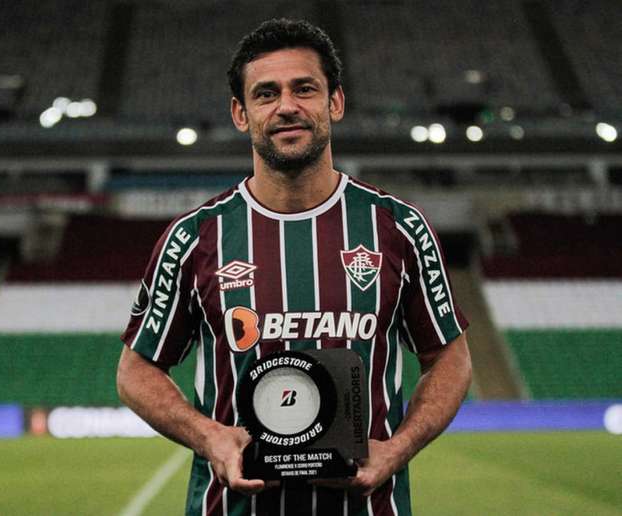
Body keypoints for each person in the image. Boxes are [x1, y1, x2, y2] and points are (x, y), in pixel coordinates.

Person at [117, 18, 472, 516]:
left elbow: (451, 358)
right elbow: (136, 370)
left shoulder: (400, 228)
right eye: (266, 94)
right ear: (241, 113)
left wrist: (397, 447)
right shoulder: (193, 238)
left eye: (304, 88)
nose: (287, 106)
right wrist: (209, 436)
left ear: (335, 103)